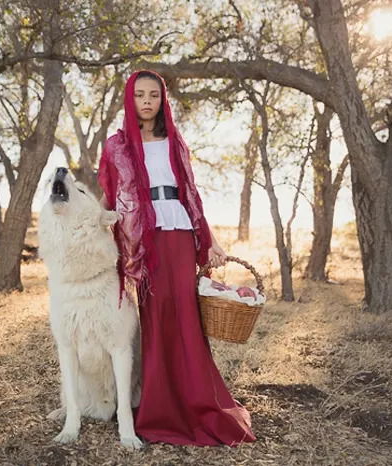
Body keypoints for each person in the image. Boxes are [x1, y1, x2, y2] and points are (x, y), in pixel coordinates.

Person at [97, 69, 256, 447]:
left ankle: (197, 402)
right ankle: (158, 410)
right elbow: (108, 193)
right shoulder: (116, 146)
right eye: (140, 95)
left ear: (162, 100)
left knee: (185, 316)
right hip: (142, 238)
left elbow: (191, 194)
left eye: (154, 95)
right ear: (129, 99)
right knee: (155, 317)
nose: (147, 101)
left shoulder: (175, 143)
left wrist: (210, 240)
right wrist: (95, 228)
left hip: (179, 234)